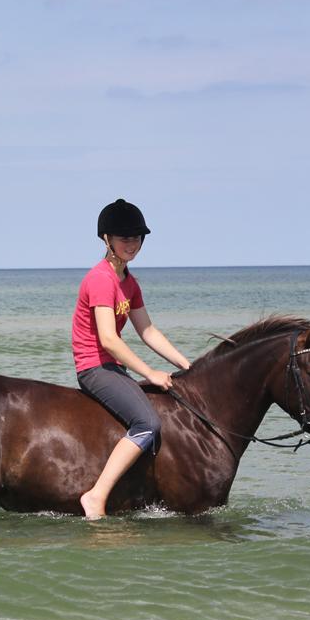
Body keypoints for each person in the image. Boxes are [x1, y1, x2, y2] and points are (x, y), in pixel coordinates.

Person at [71, 198, 192, 519]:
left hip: (113, 367)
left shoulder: (129, 282)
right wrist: (150, 372)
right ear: (106, 239)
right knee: (147, 422)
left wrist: (187, 365)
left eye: (137, 238)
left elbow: (148, 330)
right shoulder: (100, 279)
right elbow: (109, 339)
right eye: (125, 238)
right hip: (94, 366)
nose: (133, 244)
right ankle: (96, 496)